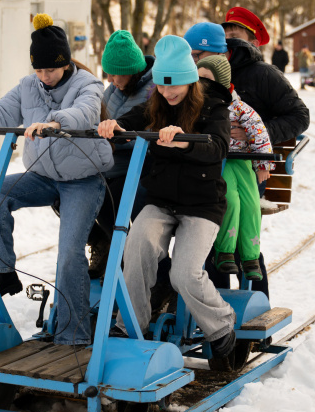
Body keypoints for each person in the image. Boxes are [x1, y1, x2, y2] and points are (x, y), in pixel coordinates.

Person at [0, 13, 113, 346]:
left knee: (69, 254)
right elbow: (2, 110)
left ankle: (74, 337)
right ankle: (4, 274)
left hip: (83, 180)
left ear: (66, 63)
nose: (44, 77)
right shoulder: (29, 86)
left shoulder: (88, 84)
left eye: (51, 70)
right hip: (43, 176)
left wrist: (56, 123)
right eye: (38, 70)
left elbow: (85, 111)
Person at [97, 35, 237, 360]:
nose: (167, 92)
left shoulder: (214, 107)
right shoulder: (157, 104)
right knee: (136, 249)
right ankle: (131, 325)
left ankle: (221, 324)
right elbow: (132, 119)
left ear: (190, 80)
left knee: (184, 274)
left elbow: (217, 146)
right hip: (161, 202)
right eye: (161, 86)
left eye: (174, 86)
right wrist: (114, 124)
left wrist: (184, 142)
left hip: (202, 205)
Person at [184, 21, 309, 299]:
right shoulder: (192, 78)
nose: (193, 63)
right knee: (202, 233)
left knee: (236, 215)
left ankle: (254, 305)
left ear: (220, 54)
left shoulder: (262, 75)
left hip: (247, 165)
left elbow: (300, 116)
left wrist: (255, 133)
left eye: (197, 57)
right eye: (189, 57)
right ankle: (212, 305)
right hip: (208, 166)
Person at [196, 56, 272, 280]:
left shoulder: (239, 107)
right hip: (221, 160)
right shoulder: (198, 105)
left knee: (250, 204)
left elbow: (259, 132)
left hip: (243, 161)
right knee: (230, 199)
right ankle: (225, 252)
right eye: (198, 79)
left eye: (206, 79)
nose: (201, 84)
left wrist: (262, 163)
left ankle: (251, 256)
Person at [87, 30, 155, 278]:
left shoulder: (154, 89)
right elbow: (97, 116)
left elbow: (146, 122)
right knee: (64, 191)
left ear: (130, 70)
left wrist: (118, 135)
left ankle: (128, 258)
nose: (110, 79)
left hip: (138, 165)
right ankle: (105, 244)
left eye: (114, 73)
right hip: (110, 162)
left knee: (108, 199)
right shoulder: (113, 90)